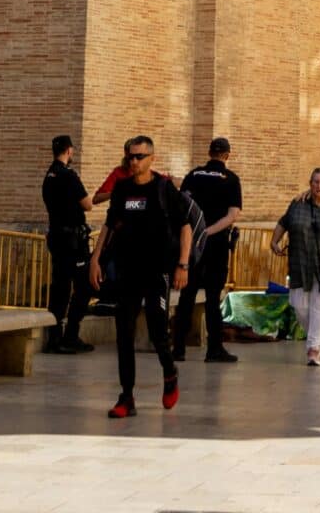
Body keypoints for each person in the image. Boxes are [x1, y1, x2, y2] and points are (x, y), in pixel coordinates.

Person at [89, 133, 192, 419]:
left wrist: (182, 265)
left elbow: (185, 226)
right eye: (129, 157)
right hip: (127, 271)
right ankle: (126, 397)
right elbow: (110, 226)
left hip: (157, 271)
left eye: (139, 157)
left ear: (151, 159)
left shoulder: (163, 188)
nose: (133, 161)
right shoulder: (121, 189)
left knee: (158, 333)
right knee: (124, 333)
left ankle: (170, 374)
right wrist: (95, 259)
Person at [173, 135, 243, 364]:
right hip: (215, 245)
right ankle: (214, 349)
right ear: (227, 155)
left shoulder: (193, 175)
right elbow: (232, 215)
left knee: (187, 295)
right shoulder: (231, 179)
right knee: (213, 297)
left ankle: (179, 347)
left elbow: (181, 206)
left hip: (190, 245)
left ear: (209, 152)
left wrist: (195, 233)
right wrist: (209, 231)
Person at [272, 167, 320, 366]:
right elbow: (283, 223)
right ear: (310, 184)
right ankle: (317, 334)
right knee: (298, 305)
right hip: (300, 262)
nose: (319, 186)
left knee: (319, 306)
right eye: (316, 182)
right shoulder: (297, 204)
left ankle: (314, 350)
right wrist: (274, 241)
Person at [41, 133, 91, 352]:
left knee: (60, 286)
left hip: (57, 236)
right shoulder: (69, 175)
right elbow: (87, 204)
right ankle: (70, 334)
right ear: (69, 150)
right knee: (83, 287)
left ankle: (55, 337)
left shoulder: (49, 175)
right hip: (72, 240)